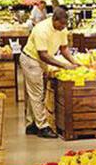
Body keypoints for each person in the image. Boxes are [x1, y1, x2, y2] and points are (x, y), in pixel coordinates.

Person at [20, 7, 78, 138]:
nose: (63, 27)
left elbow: (63, 49)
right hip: (31, 59)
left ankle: (31, 124)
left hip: (41, 61)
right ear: (54, 19)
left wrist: (74, 62)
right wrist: (64, 66)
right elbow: (43, 55)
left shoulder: (62, 29)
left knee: (33, 93)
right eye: (61, 24)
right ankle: (42, 126)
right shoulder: (41, 29)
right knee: (37, 93)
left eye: (65, 24)